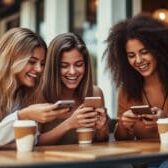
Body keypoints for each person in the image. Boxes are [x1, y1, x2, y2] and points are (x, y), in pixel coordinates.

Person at [0, 28, 69, 146]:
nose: (39, 69)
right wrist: (23, 115)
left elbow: (31, 141)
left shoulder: (26, 94)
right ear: (12, 59)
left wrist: (68, 122)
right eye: (32, 62)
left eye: (42, 64)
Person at [104, 14, 168, 141]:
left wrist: (165, 120)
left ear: (159, 50)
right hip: (143, 159)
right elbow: (120, 139)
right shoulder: (127, 91)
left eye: (144, 52)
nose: (138, 60)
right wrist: (123, 124)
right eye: (131, 55)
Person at [37, 32, 109, 145]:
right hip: (51, 162)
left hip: (87, 161)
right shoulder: (39, 95)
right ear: (53, 67)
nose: (72, 72)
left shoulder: (95, 93)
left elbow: (102, 141)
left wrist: (102, 129)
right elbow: (33, 143)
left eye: (79, 64)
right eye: (64, 66)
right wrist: (69, 124)